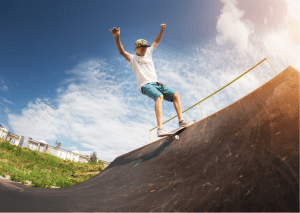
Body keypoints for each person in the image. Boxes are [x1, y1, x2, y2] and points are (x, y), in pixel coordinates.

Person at [109, 24, 192, 136]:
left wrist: (161, 30)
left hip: (156, 84)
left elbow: (156, 41)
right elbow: (121, 52)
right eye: (141, 49)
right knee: (159, 97)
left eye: (145, 49)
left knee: (175, 95)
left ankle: (181, 121)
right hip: (145, 85)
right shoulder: (132, 59)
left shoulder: (148, 52)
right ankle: (160, 128)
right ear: (136, 49)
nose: (144, 51)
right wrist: (117, 37)